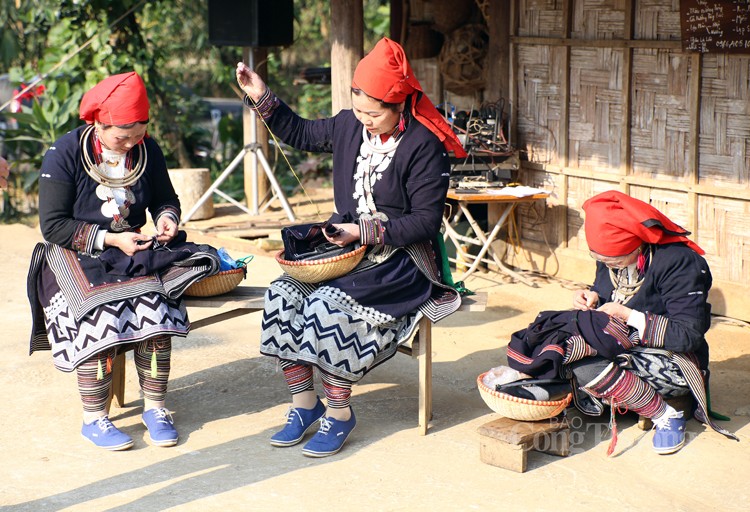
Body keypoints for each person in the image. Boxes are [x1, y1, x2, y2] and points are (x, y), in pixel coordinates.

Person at [236, 37, 466, 457]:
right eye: (358, 109)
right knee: (281, 294)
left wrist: (362, 232)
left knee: (327, 305)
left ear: (400, 106)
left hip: (400, 259)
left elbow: (425, 222)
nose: (364, 120)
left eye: (374, 114)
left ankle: (340, 413)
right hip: (347, 251)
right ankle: (304, 405)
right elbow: (300, 131)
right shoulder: (348, 124)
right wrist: (260, 95)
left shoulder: (423, 147)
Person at [26, 72, 219, 451]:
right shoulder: (64, 152)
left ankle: (156, 407)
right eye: (122, 136)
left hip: (131, 251)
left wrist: (167, 219)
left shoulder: (148, 151)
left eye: (138, 134)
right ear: (98, 122)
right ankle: (94, 417)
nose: (131, 143)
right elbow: (53, 226)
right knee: (100, 315)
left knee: (157, 304)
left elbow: (166, 198)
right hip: (73, 252)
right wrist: (110, 238)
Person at [506, 190, 737, 455]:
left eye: (612, 260)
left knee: (586, 365)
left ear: (636, 246)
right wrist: (591, 296)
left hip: (671, 358)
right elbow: (608, 288)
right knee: (548, 343)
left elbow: (689, 335)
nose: (607, 266)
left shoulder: (681, 264)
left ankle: (664, 414)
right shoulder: (612, 260)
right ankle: (581, 392)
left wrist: (628, 316)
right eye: (600, 260)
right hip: (619, 344)